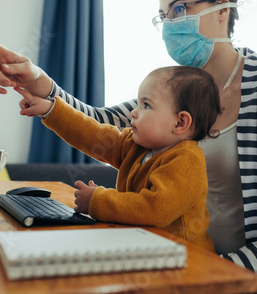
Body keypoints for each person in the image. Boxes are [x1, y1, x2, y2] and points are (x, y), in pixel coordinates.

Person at [0, 0, 257, 292]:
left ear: (222, 9)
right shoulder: (172, 89)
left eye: (179, 9)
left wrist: (222, 273)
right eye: (164, 15)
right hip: (181, 268)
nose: (169, 24)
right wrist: (39, 84)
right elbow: (100, 124)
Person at [15, 66, 221, 253]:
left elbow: (154, 210)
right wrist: (51, 109)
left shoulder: (187, 161)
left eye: (146, 105)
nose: (134, 112)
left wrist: (97, 200)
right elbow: (92, 134)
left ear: (180, 122)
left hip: (186, 262)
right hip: (143, 250)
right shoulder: (136, 145)